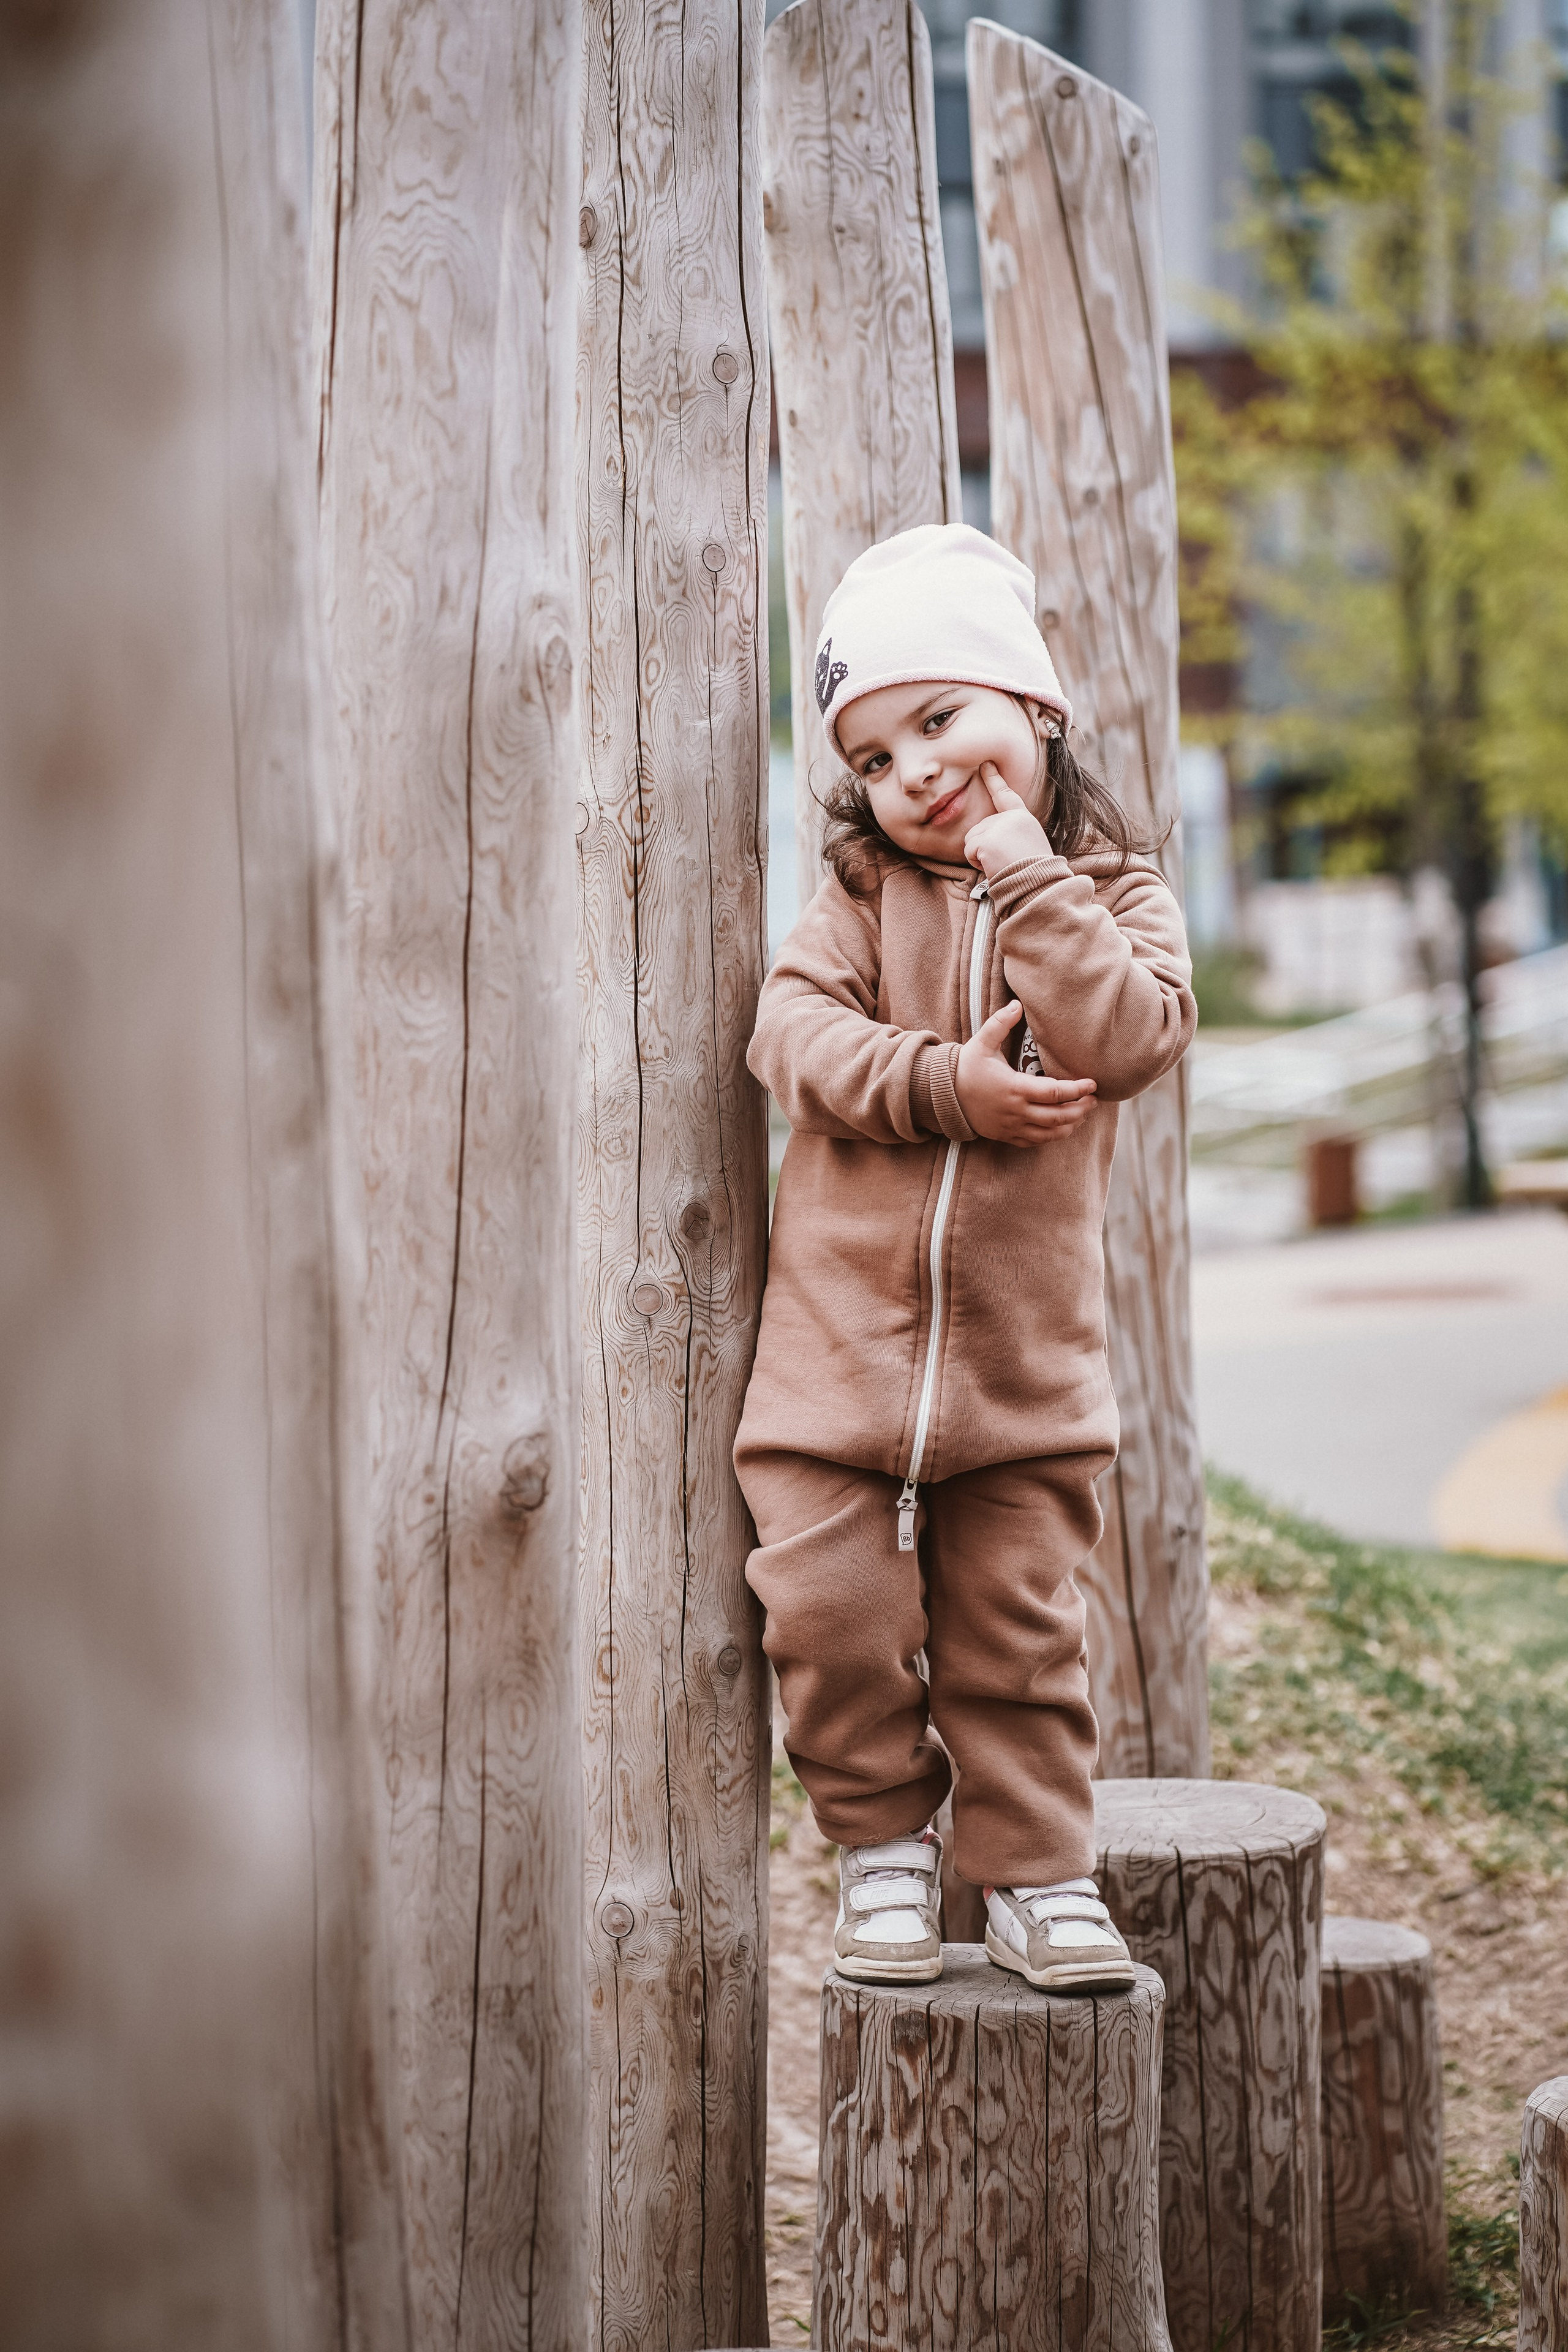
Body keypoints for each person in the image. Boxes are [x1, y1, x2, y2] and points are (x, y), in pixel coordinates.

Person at [734, 524, 1196, 1990]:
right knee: (826, 1619)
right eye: (872, 755)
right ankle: (883, 1849)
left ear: (1034, 711)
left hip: (1020, 1376)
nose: (912, 771)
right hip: (833, 1366)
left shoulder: (1114, 894)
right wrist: (945, 1086)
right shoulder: (864, 899)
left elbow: (1128, 1038)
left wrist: (1024, 874)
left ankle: (1033, 1875)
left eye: (939, 719)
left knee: (1015, 1642)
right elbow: (787, 1038)